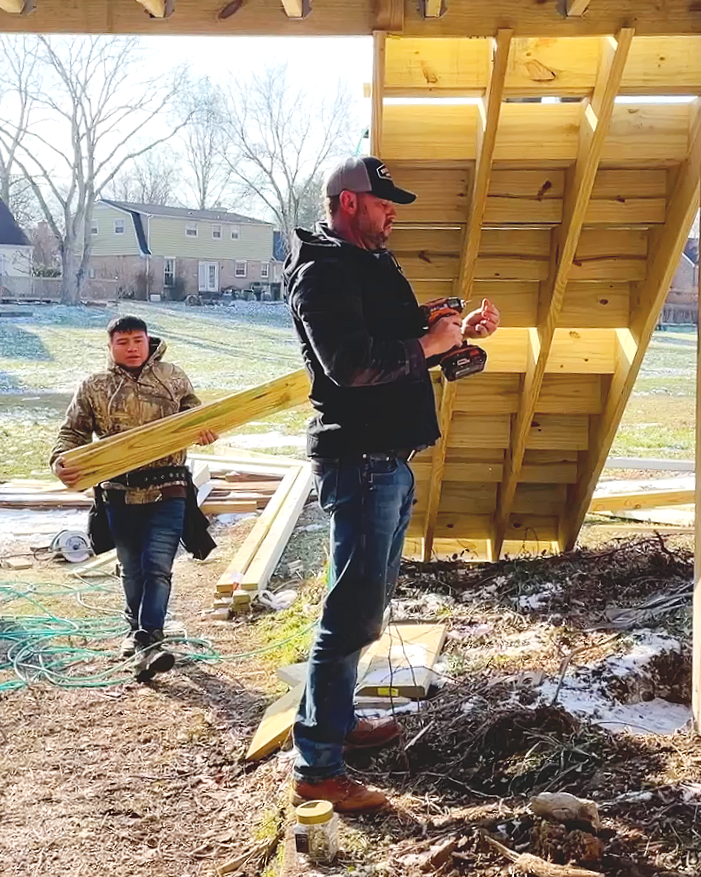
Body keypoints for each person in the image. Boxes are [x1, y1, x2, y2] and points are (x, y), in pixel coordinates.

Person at [284, 156, 500, 812]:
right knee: (348, 614)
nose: (392, 214)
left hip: (387, 459)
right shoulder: (321, 270)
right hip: (361, 459)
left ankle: (337, 722)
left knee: (362, 607)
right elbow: (349, 366)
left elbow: (390, 338)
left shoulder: (368, 263)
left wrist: (446, 330)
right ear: (347, 203)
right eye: (382, 204)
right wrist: (430, 344)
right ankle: (317, 767)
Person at [50, 315, 218, 681]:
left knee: (158, 566)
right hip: (119, 492)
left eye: (137, 340)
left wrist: (203, 429)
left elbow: (196, 414)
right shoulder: (95, 386)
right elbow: (72, 434)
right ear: (110, 346)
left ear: (148, 341)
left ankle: (150, 637)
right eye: (122, 342)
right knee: (132, 569)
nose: (131, 348)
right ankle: (138, 635)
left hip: (169, 487)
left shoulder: (172, 377)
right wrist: (61, 463)